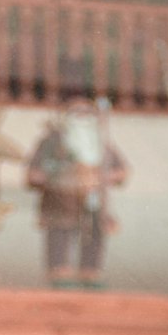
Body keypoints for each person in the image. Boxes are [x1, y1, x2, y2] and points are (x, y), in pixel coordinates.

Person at [25, 94, 128, 288]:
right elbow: (34, 173)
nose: (82, 116)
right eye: (77, 112)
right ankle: (59, 273)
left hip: (93, 202)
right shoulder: (52, 142)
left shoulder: (100, 143)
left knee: (94, 235)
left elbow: (121, 171)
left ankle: (90, 273)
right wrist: (61, 176)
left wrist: (96, 177)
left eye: (87, 112)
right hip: (60, 202)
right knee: (60, 236)